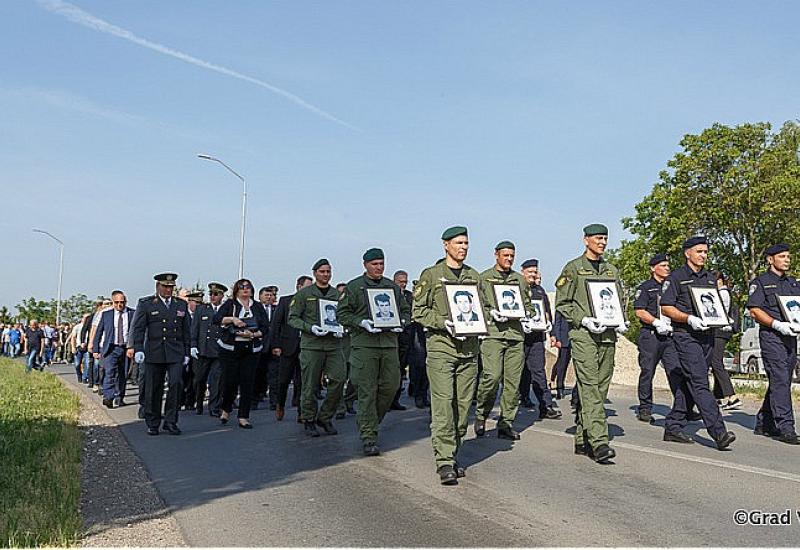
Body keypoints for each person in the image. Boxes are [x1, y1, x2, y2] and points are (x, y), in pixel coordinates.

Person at [412, 225, 482, 485]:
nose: (463, 247)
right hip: (442, 348)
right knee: (443, 404)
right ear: (446, 245)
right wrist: (445, 322)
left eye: (466, 243)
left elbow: (483, 307)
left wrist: (479, 325)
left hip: (469, 350)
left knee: (463, 407)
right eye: (458, 243)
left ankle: (453, 451)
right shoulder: (431, 275)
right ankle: (444, 460)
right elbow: (418, 311)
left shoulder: (474, 276)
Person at [555, 223, 626, 463]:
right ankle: (599, 441)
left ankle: (582, 437)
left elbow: (617, 300)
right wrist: (583, 319)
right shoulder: (574, 268)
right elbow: (563, 304)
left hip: (607, 334)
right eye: (598, 238)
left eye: (605, 238)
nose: (602, 242)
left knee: (602, 385)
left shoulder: (611, 270)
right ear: (586, 240)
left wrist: (620, 320)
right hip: (583, 335)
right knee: (589, 386)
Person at [660, 236, 736, 450]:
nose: (703, 255)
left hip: (707, 336)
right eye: (699, 251)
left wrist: (722, 319)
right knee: (700, 382)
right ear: (688, 253)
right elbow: (666, 307)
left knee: (688, 383)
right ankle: (719, 432)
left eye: (705, 252)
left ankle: (674, 426)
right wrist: (688, 318)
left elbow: (714, 305)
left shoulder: (710, 278)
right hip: (686, 336)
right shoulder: (676, 277)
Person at [337, 248, 411, 455]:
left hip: (388, 344)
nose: (379, 268)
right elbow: (342, 313)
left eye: (381, 264)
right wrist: (360, 322)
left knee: (391, 385)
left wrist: (401, 323)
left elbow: (405, 310)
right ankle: (369, 435)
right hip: (365, 345)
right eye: (374, 264)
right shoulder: (354, 287)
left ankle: (369, 422)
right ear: (365, 265)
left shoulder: (391, 287)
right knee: (367, 390)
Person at [475, 241, 533, 441]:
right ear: (496, 255)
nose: (509, 259)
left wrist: (526, 315)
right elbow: (477, 306)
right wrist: (491, 313)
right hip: (493, 335)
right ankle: (481, 413)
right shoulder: (484, 278)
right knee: (491, 377)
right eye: (505, 255)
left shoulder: (520, 280)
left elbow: (528, 306)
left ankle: (506, 423)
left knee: (512, 383)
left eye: (512, 256)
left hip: (515, 336)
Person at [746, 243, 800, 444]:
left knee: (783, 379)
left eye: (788, 256)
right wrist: (776, 324)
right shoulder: (761, 282)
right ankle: (786, 427)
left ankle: (764, 421)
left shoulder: (794, 283)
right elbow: (754, 310)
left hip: (790, 336)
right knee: (779, 378)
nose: (787, 259)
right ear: (771, 259)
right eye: (782, 256)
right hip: (772, 336)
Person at [633, 253, 693, 426]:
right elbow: (640, 310)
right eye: (663, 265)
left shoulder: (672, 286)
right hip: (651, 335)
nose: (667, 268)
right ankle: (645, 408)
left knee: (676, 371)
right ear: (653, 268)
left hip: (670, 336)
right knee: (647, 371)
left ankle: (683, 408)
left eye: (668, 265)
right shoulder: (646, 287)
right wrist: (655, 322)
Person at [288, 259, 346, 436]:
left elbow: (344, 315)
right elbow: (293, 318)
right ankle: (309, 419)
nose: (326, 275)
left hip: (333, 345)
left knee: (339, 379)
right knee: (310, 385)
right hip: (312, 345)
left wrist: (341, 328)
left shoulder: (337, 295)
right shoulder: (304, 294)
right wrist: (310, 327)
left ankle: (325, 416)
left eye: (328, 271)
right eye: (322, 271)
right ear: (315, 273)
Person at [129, 273, 191, 436]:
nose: (168, 290)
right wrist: (138, 348)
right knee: (153, 388)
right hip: (154, 351)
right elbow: (139, 328)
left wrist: (187, 351)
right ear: (158, 287)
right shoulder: (147, 304)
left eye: (171, 287)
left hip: (175, 351)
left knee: (176, 385)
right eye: (165, 286)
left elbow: (186, 330)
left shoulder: (180, 305)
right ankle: (153, 421)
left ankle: (171, 421)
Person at [214, 278, 269, 429]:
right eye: (242, 287)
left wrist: (253, 335)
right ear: (237, 290)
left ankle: (244, 416)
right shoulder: (230, 304)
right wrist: (233, 320)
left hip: (251, 348)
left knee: (247, 382)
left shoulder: (257, 307)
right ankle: (226, 408)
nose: (245, 290)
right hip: (230, 348)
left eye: (248, 287)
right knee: (230, 381)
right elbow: (216, 319)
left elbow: (265, 327)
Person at [519, 258, 561, 420]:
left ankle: (546, 405)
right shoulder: (517, 288)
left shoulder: (540, 291)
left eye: (535, 272)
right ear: (522, 272)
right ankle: (518, 400)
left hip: (537, 337)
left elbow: (546, 311)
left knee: (539, 372)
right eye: (529, 272)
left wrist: (550, 329)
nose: (532, 274)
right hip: (519, 337)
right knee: (517, 372)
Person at [268, 275, 312, 421]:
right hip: (287, 346)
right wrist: (275, 345)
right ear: (299, 287)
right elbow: (276, 324)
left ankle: (301, 411)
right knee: (283, 380)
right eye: (307, 286)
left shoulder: (312, 303)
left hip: (306, 346)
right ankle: (280, 404)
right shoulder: (286, 301)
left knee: (302, 381)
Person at [92, 290, 135, 408]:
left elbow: (137, 331)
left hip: (126, 348)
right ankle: (108, 397)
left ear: (125, 302)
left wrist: (135, 347)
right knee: (110, 372)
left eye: (122, 302)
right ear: (112, 302)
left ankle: (119, 397)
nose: (119, 305)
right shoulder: (106, 315)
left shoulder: (132, 313)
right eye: (116, 302)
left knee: (123, 374)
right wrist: (95, 349)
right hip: (111, 348)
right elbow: (99, 332)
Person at [191, 282, 227, 416]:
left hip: (218, 350)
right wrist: (193, 345)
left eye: (216, 294)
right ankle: (199, 403)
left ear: (222, 296)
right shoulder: (202, 309)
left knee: (215, 380)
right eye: (211, 294)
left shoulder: (226, 310)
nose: (212, 296)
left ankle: (214, 407)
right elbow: (195, 328)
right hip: (203, 350)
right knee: (199, 379)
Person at [396, 272, 429, 409]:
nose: (403, 284)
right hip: (399, 336)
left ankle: (419, 394)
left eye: (405, 281)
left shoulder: (410, 296)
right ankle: (394, 398)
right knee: (398, 368)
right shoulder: (392, 295)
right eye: (400, 281)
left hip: (414, 332)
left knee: (420, 365)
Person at [710, 272, 741, 411]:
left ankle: (731, 396)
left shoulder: (722, 294)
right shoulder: (726, 293)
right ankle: (717, 396)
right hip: (723, 331)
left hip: (720, 330)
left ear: (720, 280)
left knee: (716, 362)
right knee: (715, 362)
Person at [255, 286, 280, 410]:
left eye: (271, 295)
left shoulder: (277, 309)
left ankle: (274, 402)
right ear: (260, 296)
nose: (269, 297)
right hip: (258, 346)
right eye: (266, 295)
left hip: (273, 347)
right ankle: (253, 401)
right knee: (256, 375)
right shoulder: (255, 309)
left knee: (274, 376)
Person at [181, 291, 204, 411]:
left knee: (195, 377)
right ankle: (179, 400)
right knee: (180, 377)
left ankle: (190, 401)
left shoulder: (201, 315)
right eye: (196, 302)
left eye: (200, 303)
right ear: (189, 302)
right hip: (183, 349)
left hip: (196, 350)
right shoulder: (183, 314)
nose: (198, 305)